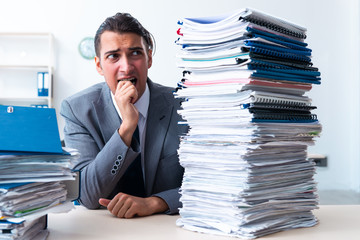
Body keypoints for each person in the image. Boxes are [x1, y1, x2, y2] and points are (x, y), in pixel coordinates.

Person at [60, 12, 187, 218]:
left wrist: (157, 202)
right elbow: (87, 195)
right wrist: (127, 127)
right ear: (99, 65)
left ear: (150, 58)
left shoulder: (185, 105)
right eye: (113, 56)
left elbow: (210, 183)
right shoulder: (77, 110)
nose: (126, 67)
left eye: (135, 53)